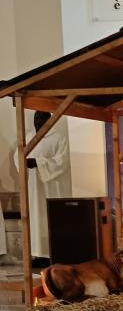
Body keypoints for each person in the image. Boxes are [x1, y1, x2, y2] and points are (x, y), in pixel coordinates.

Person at [14, 111, 72, 266]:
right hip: (34, 187)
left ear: (49, 120)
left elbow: (62, 160)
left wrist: (38, 163)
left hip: (52, 187)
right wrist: (24, 162)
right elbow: (17, 155)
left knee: (50, 217)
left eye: (41, 118)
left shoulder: (58, 137)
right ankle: (38, 255)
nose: (37, 121)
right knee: (36, 218)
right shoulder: (28, 137)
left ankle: (52, 255)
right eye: (36, 118)